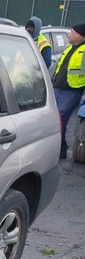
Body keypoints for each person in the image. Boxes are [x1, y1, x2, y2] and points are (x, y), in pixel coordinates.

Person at [52, 23, 85, 159]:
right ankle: (60, 147)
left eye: (71, 31)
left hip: (72, 90)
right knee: (53, 118)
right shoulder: (70, 48)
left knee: (60, 119)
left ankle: (60, 149)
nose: (68, 34)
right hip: (58, 87)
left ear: (79, 35)